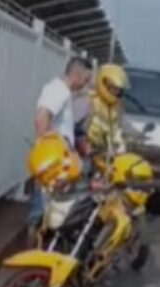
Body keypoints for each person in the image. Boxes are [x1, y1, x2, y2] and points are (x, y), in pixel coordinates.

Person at [29, 57, 92, 228]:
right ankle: (35, 250)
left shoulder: (62, 91)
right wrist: (48, 153)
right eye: (86, 80)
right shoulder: (59, 90)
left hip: (58, 163)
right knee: (42, 213)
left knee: (50, 212)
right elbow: (41, 118)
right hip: (52, 165)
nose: (85, 85)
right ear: (76, 75)